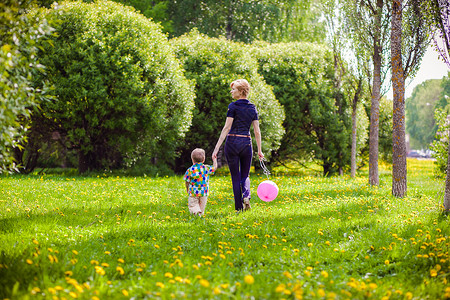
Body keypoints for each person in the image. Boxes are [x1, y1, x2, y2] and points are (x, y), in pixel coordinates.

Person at [212, 79, 264, 212]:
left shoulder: (233, 106)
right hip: (246, 142)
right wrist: (259, 150)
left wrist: (217, 148)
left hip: (233, 143)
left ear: (241, 92)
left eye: (233, 89)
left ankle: (238, 208)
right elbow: (257, 131)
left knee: (235, 176)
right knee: (245, 175)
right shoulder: (252, 108)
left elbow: (226, 127)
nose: (231, 91)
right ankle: (246, 195)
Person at [184, 148, 217, 216]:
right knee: (202, 207)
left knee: (192, 205)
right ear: (203, 159)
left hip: (193, 192)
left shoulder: (190, 170)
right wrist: (214, 160)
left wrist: (187, 188)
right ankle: (200, 215)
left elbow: (187, 181)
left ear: (192, 159)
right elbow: (215, 167)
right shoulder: (206, 168)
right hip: (204, 192)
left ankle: (196, 212)